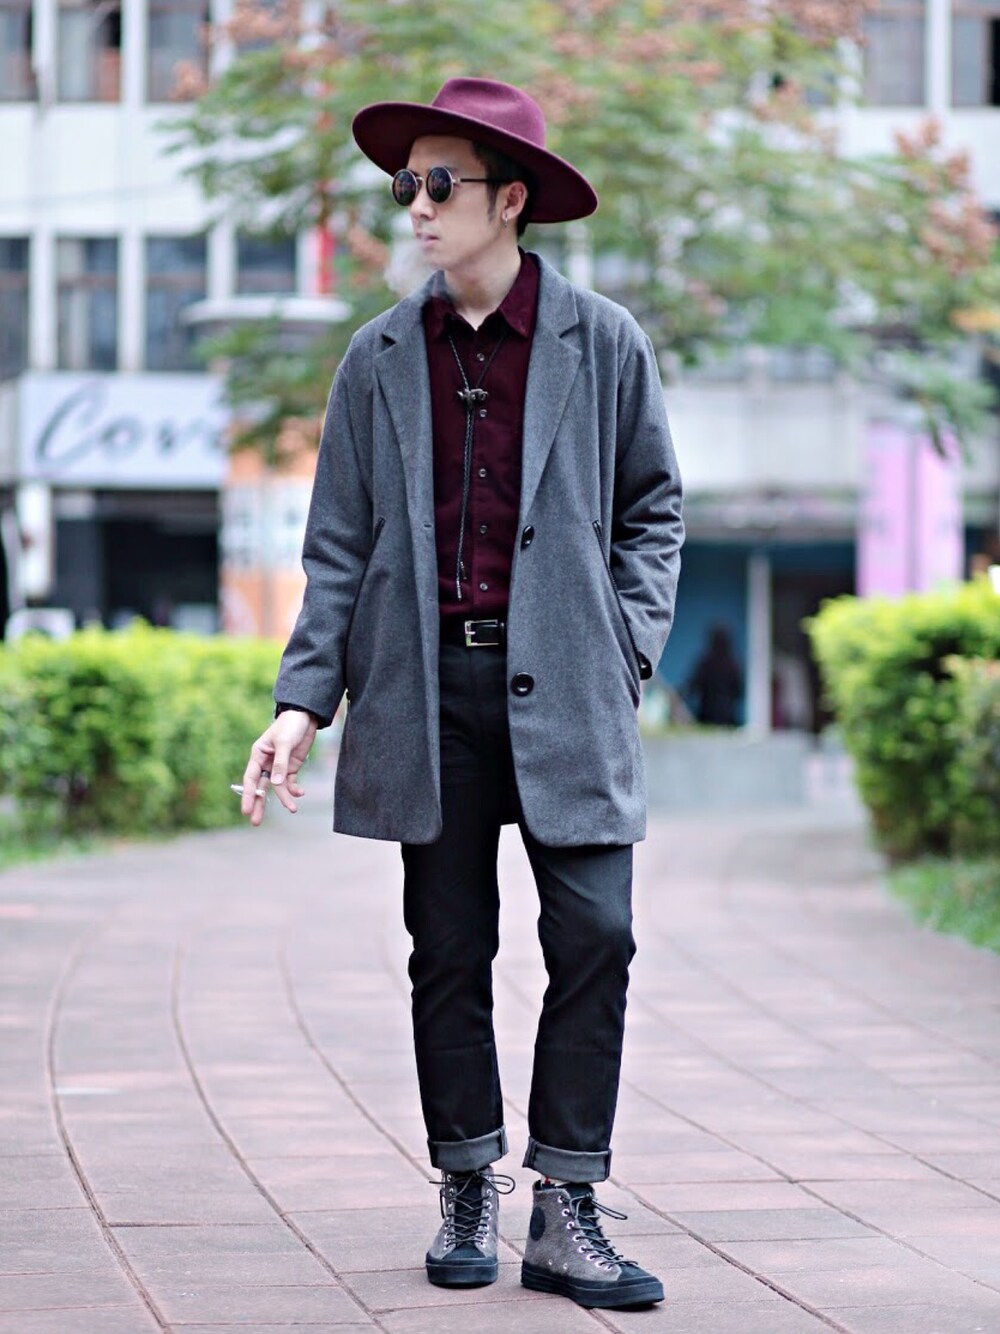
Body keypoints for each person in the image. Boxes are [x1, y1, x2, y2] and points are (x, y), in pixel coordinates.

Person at [239, 77, 683, 1311]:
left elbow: (652, 508)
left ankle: (569, 1202)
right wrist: (301, 702)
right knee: (447, 947)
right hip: (426, 691)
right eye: (406, 184)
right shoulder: (377, 358)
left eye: (440, 183)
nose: (417, 207)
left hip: (572, 688)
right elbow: (338, 546)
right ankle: (465, 1178)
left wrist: (625, 647)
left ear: (511, 199)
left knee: (596, 933)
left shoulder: (604, 341)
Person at [687, 623, 743, 726]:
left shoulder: (705, 664)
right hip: (723, 716)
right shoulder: (734, 665)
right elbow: (739, 692)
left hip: (711, 716)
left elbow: (693, 687)